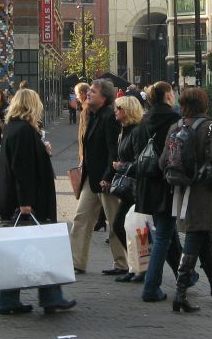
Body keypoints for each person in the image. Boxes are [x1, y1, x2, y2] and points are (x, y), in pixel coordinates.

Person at [0, 88, 76, 315]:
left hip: (15, 200)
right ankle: (49, 296)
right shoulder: (23, 131)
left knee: (21, 247)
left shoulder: (15, 128)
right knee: (40, 245)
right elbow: (22, 168)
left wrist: (42, 148)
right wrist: (26, 202)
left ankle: (16, 298)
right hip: (26, 202)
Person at [158, 86, 212, 312]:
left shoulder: (175, 127)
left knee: (203, 235)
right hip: (204, 190)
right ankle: (180, 293)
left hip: (182, 189)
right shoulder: (211, 126)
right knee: (195, 235)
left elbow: (163, 162)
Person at [132, 81, 189, 303]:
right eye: (172, 93)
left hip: (147, 184)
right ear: (167, 95)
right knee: (163, 235)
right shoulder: (174, 120)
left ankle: (188, 275)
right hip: (166, 183)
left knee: (167, 232)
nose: (174, 96)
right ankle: (151, 286)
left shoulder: (144, 120)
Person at [70, 79, 129, 276]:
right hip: (90, 177)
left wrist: (108, 176)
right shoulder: (92, 115)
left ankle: (123, 263)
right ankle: (76, 262)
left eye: (93, 92)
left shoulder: (108, 118)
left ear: (104, 97)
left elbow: (113, 151)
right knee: (81, 218)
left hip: (105, 180)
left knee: (115, 222)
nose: (88, 94)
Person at [104, 95, 143, 281]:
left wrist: (121, 167)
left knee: (125, 226)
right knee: (121, 226)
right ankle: (135, 267)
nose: (115, 111)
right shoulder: (124, 131)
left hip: (136, 189)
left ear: (127, 111)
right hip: (128, 189)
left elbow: (140, 161)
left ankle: (139, 268)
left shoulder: (136, 132)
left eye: (118, 108)